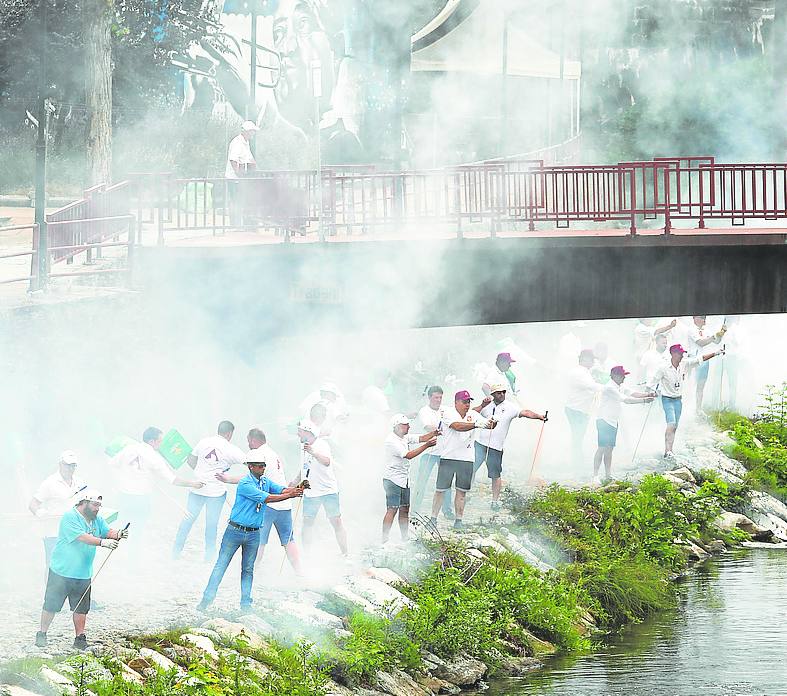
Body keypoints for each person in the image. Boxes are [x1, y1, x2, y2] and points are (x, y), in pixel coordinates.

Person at [197, 450, 305, 611]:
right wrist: (292, 495)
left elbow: (281, 490)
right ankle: (206, 599)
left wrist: (297, 488)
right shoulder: (245, 484)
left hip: (254, 533)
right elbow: (268, 498)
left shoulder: (264, 481)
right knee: (221, 565)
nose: (263, 468)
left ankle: (246, 603)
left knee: (248, 569)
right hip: (235, 532)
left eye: (264, 465)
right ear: (251, 467)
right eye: (260, 466)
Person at [35, 490, 128, 650]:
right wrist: (103, 543)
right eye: (94, 505)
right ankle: (42, 633)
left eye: (99, 505)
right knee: (51, 605)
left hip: (83, 572)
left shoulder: (96, 519)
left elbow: (107, 531)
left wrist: (118, 533)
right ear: (83, 503)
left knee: (81, 607)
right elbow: (82, 537)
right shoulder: (70, 517)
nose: (97, 508)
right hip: (61, 571)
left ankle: (80, 637)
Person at [217, 427, 303, 575]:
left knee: (259, 539)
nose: (248, 444)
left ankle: (253, 571)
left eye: (248, 441)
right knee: (289, 540)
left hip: (270, 504)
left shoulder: (259, 455)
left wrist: (227, 479)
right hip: (284, 505)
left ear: (253, 440)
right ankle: (300, 572)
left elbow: (248, 480)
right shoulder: (273, 453)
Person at [172, 421, 246, 561]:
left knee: (187, 521)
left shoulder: (203, 442)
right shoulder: (231, 449)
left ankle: (175, 553)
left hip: (197, 488)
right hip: (215, 493)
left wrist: (201, 472)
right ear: (229, 433)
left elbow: (191, 460)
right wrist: (231, 477)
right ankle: (209, 557)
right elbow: (251, 464)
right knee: (211, 524)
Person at [111, 427, 203, 535]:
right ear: (152, 441)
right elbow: (173, 480)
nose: (161, 444)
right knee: (137, 531)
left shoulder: (129, 448)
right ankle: (133, 551)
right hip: (141, 499)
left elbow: (113, 464)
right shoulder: (155, 457)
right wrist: (193, 484)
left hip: (124, 496)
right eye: (160, 441)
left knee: (121, 529)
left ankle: (121, 550)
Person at [430, 390, 496, 530]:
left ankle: (459, 521)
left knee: (461, 492)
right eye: (464, 402)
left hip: (466, 459)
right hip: (448, 456)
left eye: (469, 402)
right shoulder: (448, 413)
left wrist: (492, 422)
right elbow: (457, 426)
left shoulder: (473, 414)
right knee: (440, 490)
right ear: (456, 402)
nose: (467, 404)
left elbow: (487, 424)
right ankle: (433, 518)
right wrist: (477, 425)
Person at [474, 384, 547, 509]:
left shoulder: (510, 407)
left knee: (495, 475)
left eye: (503, 392)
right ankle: (466, 493)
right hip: (480, 444)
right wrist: (481, 405)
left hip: (496, 447)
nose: (501, 394)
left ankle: (494, 502)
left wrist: (539, 417)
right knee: (471, 469)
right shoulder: (487, 406)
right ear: (492, 394)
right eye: (498, 393)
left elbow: (525, 412)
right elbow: (469, 414)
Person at [651, 343, 724, 458]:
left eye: (682, 354)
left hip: (678, 400)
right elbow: (653, 381)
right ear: (673, 354)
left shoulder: (684, 364)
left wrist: (715, 353)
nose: (681, 356)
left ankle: (670, 449)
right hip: (667, 399)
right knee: (671, 423)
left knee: (675, 426)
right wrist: (651, 392)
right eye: (679, 353)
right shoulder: (663, 367)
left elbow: (700, 359)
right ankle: (667, 450)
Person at [593, 367, 655, 484]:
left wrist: (647, 394)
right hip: (604, 420)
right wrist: (645, 401)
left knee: (609, 449)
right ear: (615, 376)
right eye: (622, 375)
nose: (624, 378)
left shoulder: (619, 386)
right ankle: (595, 475)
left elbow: (632, 393)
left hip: (612, 421)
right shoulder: (610, 388)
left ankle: (608, 475)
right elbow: (626, 400)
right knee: (602, 447)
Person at [382, 414, 437, 543]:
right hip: (392, 479)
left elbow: (421, 438)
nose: (409, 426)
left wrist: (434, 433)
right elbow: (408, 455)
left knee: (405, 508)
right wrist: (427, 446)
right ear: (397, 426)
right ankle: (384, 540)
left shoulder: (404, 437)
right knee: (392, 509)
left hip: (403, 479)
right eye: (406, 425)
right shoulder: (391, 441)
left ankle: (404, 538)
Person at [298, 420, 349, 556]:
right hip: (311, 491)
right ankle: (306, 554)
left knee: (336, 521)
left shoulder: (321, 444)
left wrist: (313, 452)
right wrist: (295, 481)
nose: (298, 434)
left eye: (300, 431)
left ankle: (345, 553)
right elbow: (305, 466)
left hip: (328, 490)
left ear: (308, 432)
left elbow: (327, 462)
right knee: (307, 522)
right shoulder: (303, 446)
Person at [29, 451, 85, 572]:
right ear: (60, 464)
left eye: (73, 465)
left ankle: (70, 591)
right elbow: (33, 504)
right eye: (67, 465)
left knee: (73, 564)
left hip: (75, 532)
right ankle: (51, 591)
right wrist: (40, 513)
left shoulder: (80, 482)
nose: (70, 468)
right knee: (53, 565)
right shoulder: (49, 483)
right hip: (54, 532)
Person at [410, 386, 453, 518]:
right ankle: (415, 509)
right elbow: (428, 427)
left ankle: (447, 510)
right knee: (422, 481)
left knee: (446, 482)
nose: (438, 400)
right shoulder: (424, 411)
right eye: (436, 397)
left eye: (440, 397)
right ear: (429, 398)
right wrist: (445, 427)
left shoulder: (446, 410)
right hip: (428, 451)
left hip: (443, 452)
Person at [565, 349, 604, 468]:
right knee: (578, 436)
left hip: (579, 409)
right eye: (592, 360)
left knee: (578, 436)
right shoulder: (579, 372)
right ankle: (577, 463)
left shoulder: (583, 371)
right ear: (585, 359)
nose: (593, 362)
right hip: (577, 409)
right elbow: (592, 386)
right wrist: (609, 389)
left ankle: (577, 461)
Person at [687, 316, 727, 415]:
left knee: (701, 386)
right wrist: (714, 336)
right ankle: (688, 407)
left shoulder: (707, 330)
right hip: (693, 360)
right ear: (695, 318)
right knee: (691, 384)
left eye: (705, 317)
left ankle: (698, 409)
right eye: (702, 317)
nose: (704, 319)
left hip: (705, 360)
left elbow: (716, 341)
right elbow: (701, 343)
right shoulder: (691, 329)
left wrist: (722, 333)